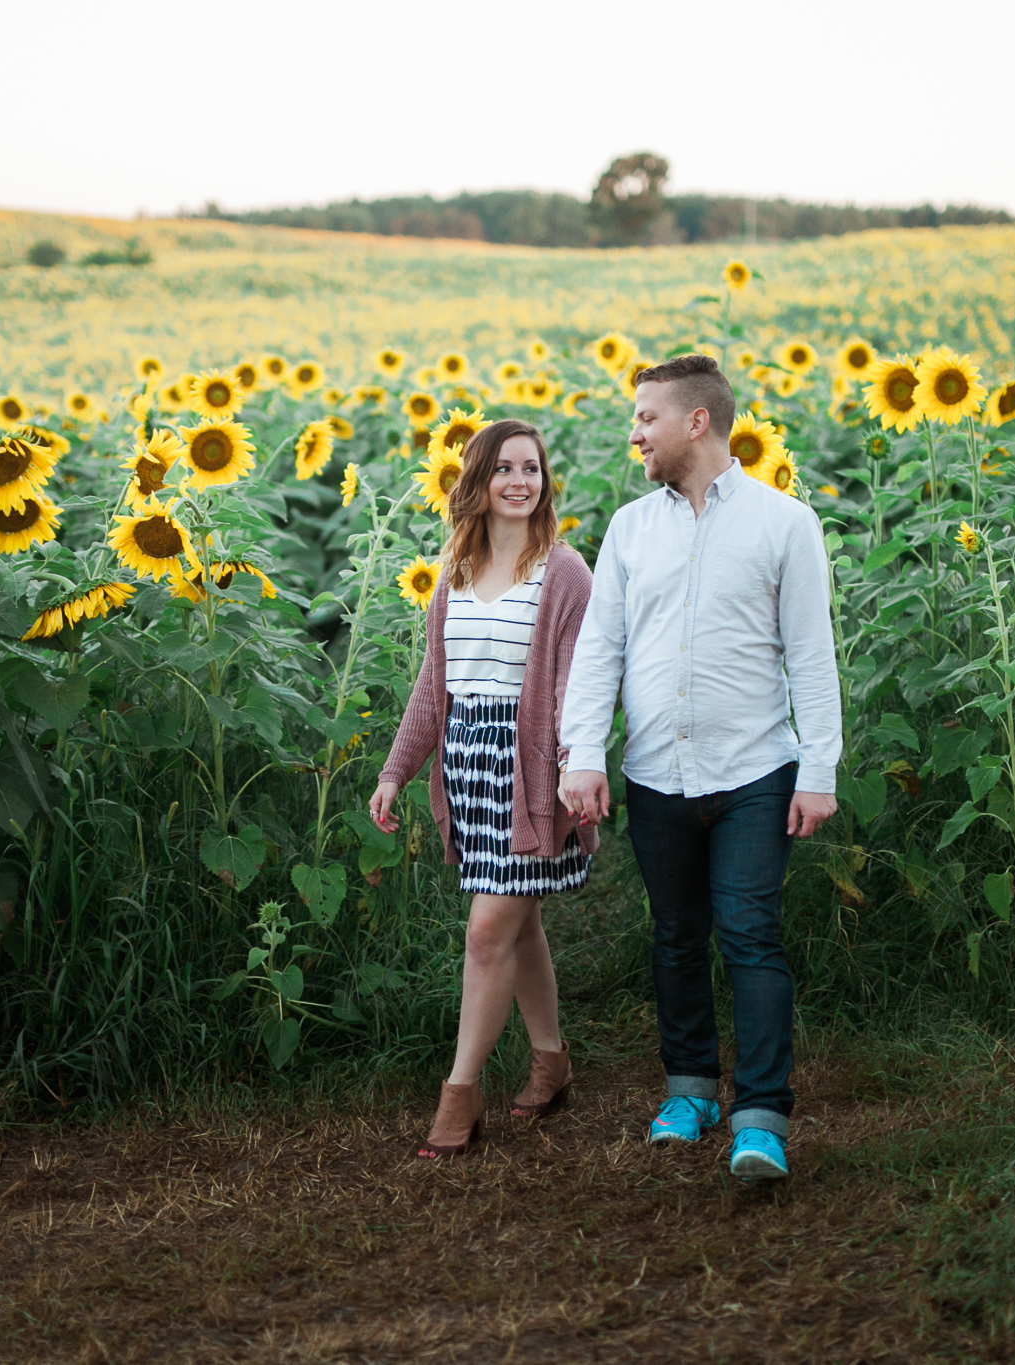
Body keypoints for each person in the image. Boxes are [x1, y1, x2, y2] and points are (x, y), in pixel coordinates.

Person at [558, 353, 842, 1182]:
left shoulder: (785, 521)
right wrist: (584, 755)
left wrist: (818, 766)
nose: (633, 433)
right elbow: (599, 650)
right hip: (655, 773)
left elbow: (811, 656)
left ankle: (761, 1114)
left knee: (751, 935)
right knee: (676, 936)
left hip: (757, 771)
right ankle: (689, 1088)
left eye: (646, 417)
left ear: (697, 421)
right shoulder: (628, 529)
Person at [371, 418, 599, 1159]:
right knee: (518, 924)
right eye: (503, 468)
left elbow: (577, 684)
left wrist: (574, 764)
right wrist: (395, 770)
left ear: (544, 481)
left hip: (530, 769)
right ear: (477, 480)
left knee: (487, 930)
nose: (519, 482)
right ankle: (551, 1060)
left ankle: (458, 1095)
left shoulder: (564, 571)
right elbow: (431, 691)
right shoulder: (456, 573)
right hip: (467, 767)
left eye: (531, 469)